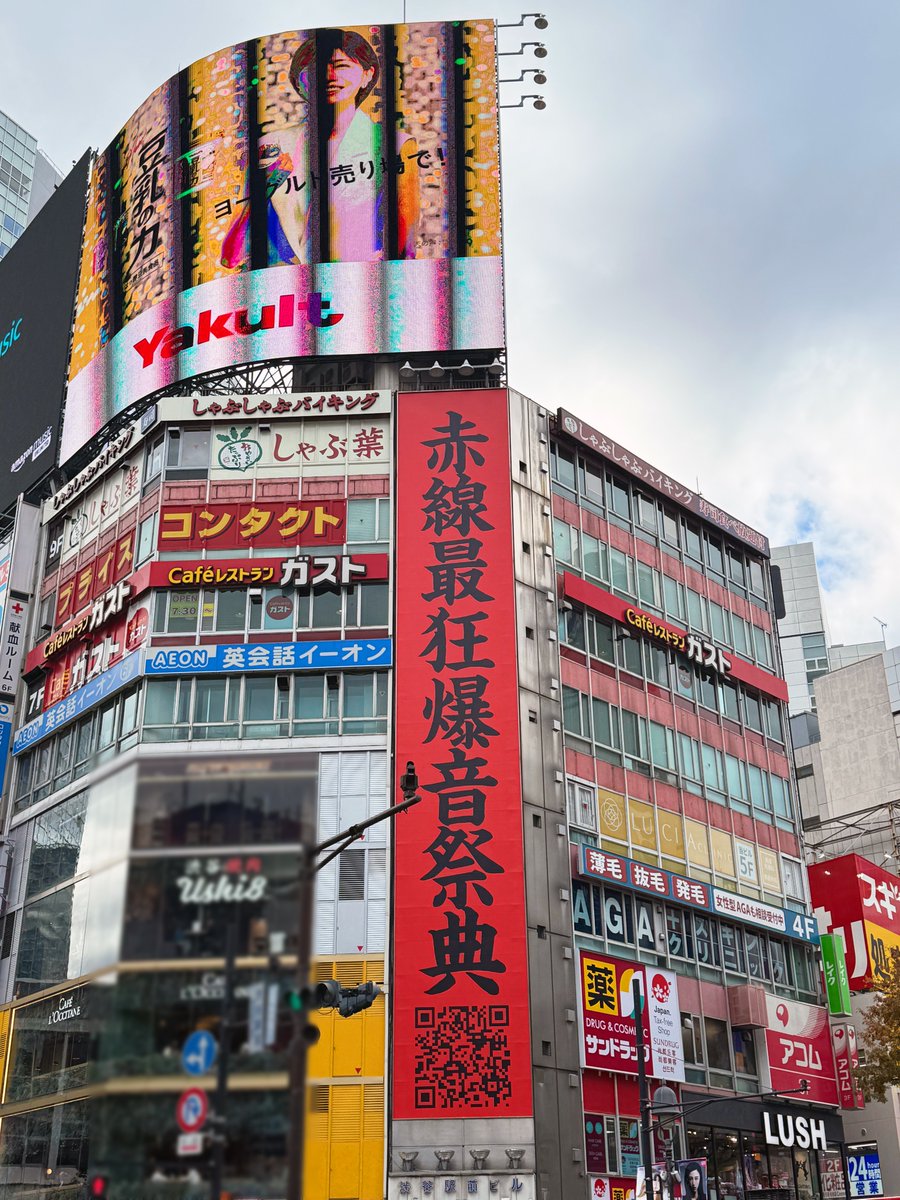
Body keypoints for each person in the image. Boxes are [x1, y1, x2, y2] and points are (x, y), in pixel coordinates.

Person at [225, 29, 419, 266]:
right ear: (300, 80)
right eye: (315, 68)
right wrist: (264, 189)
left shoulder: (397, 146)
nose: (329, 76)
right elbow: (230, 256)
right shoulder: (270, 147)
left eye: (341, 65)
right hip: (286, 295)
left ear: (367, 75)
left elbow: (406, 254)